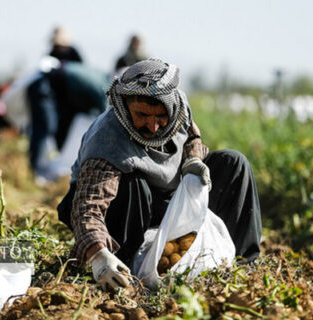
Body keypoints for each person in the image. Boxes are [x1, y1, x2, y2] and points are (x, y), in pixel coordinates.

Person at [57, 59, 262, 290]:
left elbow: (192, 137)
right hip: (122, 204)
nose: (153, 126)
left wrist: (193, 161)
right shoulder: (107, 140)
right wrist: (98, 255)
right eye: (142, 115)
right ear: (125, 104)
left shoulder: (178, 106)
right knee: (134, 183)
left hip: (166, 195)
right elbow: (88, 208)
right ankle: (125, 269)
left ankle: (244, 266)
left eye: (160, 117)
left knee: (233, 163)